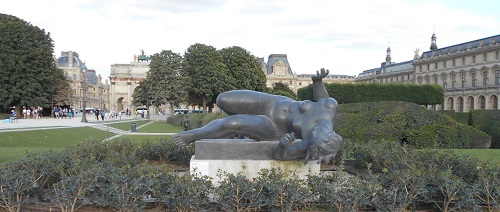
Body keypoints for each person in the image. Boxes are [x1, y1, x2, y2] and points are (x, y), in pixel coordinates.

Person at [173, 68, 342, 164]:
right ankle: (223, 126)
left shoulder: (308, 143)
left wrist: (282, 145)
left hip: (273, 126)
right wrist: (318, 83)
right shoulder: (329, 106)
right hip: (272, 102)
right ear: (330, 136)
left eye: (314, 142)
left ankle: (193, 135)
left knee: (233, 123)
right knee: (222, 99)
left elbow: (281, 155)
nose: (314, 136)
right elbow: (322, 97)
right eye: (319, 138)